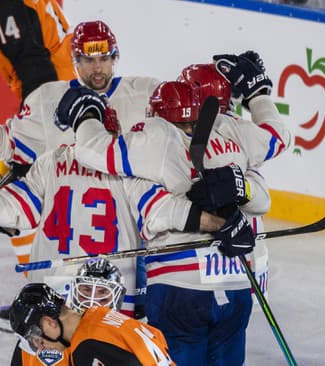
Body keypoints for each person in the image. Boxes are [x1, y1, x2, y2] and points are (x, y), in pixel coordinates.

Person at [60, 52, 291, 365]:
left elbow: (153, 205)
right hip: (238, 282)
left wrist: (86, 115)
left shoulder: (155, 138)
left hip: (179, 287)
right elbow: (277, 146)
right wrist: (259, 94)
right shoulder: (236, 133)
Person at [0, 19, 159, 316]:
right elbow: (10, 143)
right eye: (88, 60)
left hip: (121, 255)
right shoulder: (47, 99)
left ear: (115, 57)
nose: (98, 68)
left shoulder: (145, 94)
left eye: (104, 59)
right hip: (62, 258)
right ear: (74, 61)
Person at [9, 282, 175, 365]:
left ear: (49, 322)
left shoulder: (87, 347)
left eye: (36, 338)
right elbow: (158, 336)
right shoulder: (101, 315)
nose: (40, 347)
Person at [11, 257, 127, 366]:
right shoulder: (37, 337)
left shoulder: (123, 340)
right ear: (75, 292)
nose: (92, 301)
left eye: (102, 293)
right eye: (86, 290)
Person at [0, 0, 75, 101]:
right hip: (66, 88)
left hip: (62, 91)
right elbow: (32, 66)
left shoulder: (2, 5)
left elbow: (32, 66)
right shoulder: (4, 5)